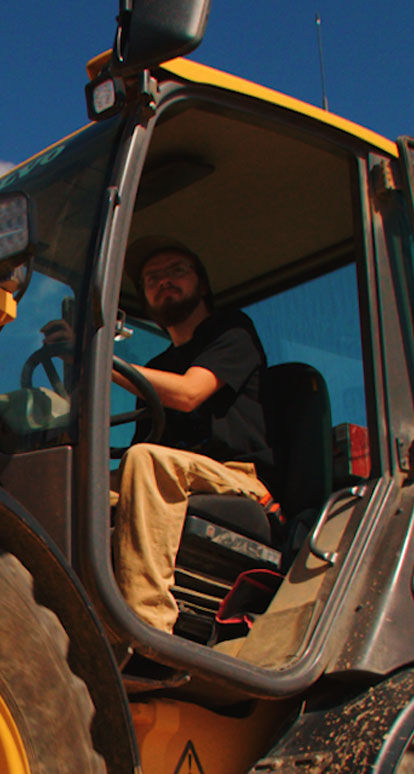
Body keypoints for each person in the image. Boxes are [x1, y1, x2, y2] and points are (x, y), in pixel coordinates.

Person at [109, 237, 271, 636]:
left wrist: (100, 362)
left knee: (146, 461)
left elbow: (188, 394)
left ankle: (149, 629)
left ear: (201, 284)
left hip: (235, 475)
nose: (164, 282)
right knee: (77, 483)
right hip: (175, 473)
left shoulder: (231, 332)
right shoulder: (156, 367)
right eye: (152, 278)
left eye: (176, 272)